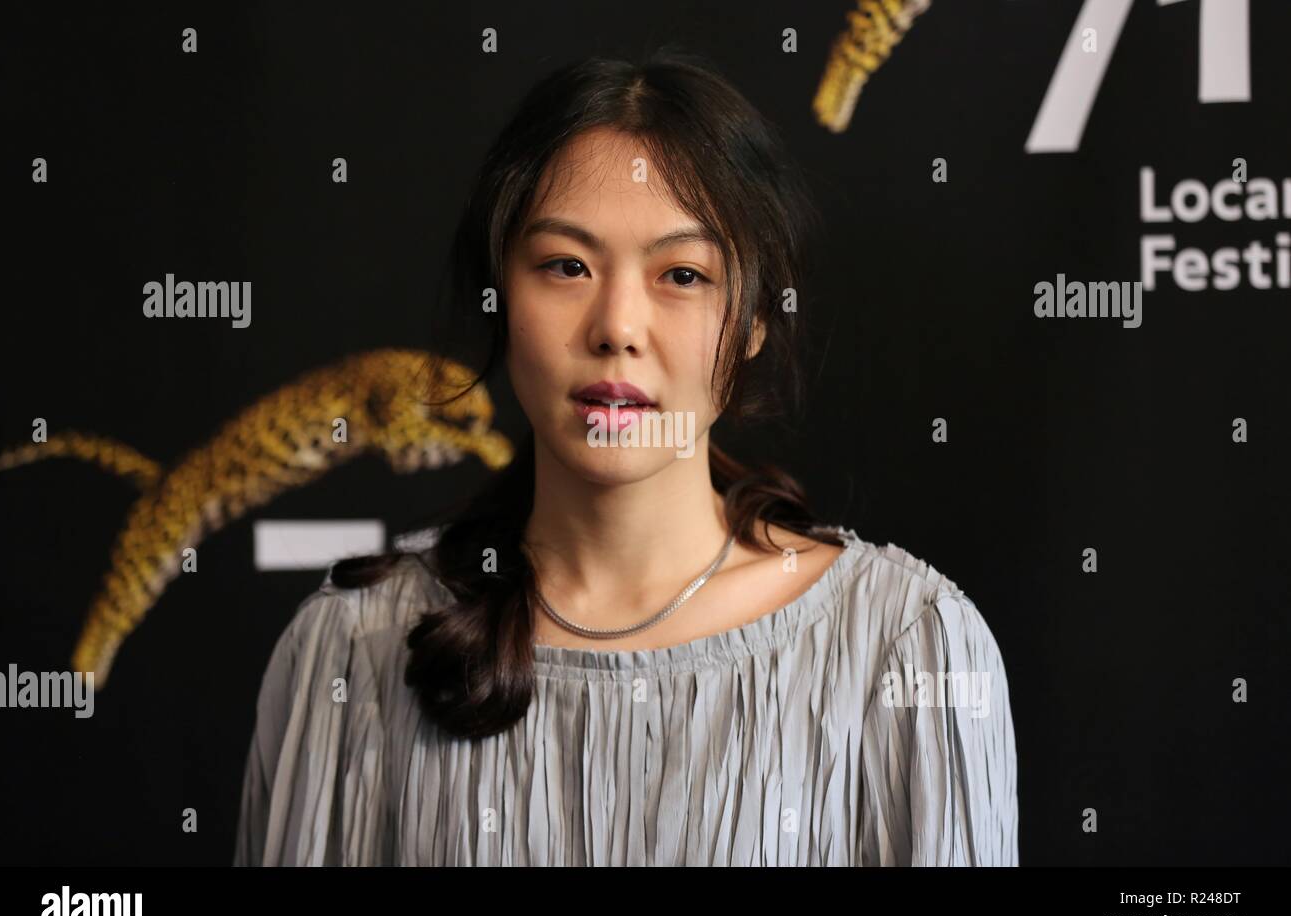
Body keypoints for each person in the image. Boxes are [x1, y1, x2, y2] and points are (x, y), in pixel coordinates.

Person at [233, 46, 1018, 866]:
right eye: (566, 266)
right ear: (500, 296)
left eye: (682, 274)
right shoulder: (351, 649)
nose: (616, 325)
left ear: (753, 320)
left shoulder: (904, 648)